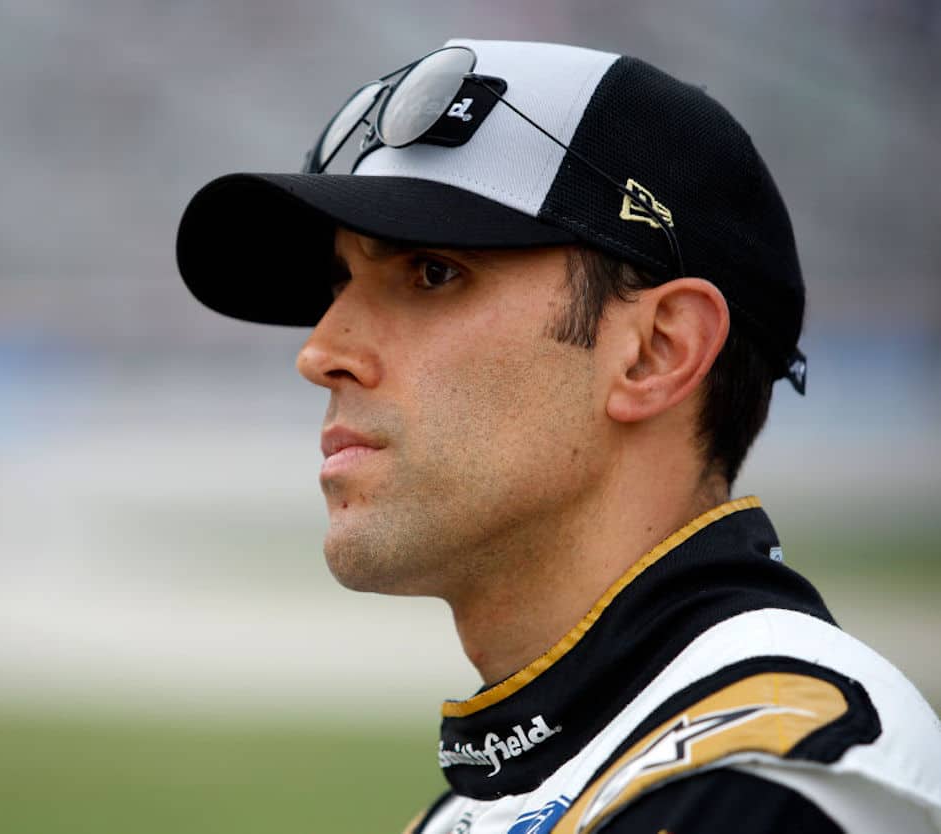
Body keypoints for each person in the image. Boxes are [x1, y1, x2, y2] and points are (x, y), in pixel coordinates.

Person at [174, 39, 941, 833]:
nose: (319, 353)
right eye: (341, 282)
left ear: (657, 352)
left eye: (432, 272)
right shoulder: (484, 807)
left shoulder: (769, 785)